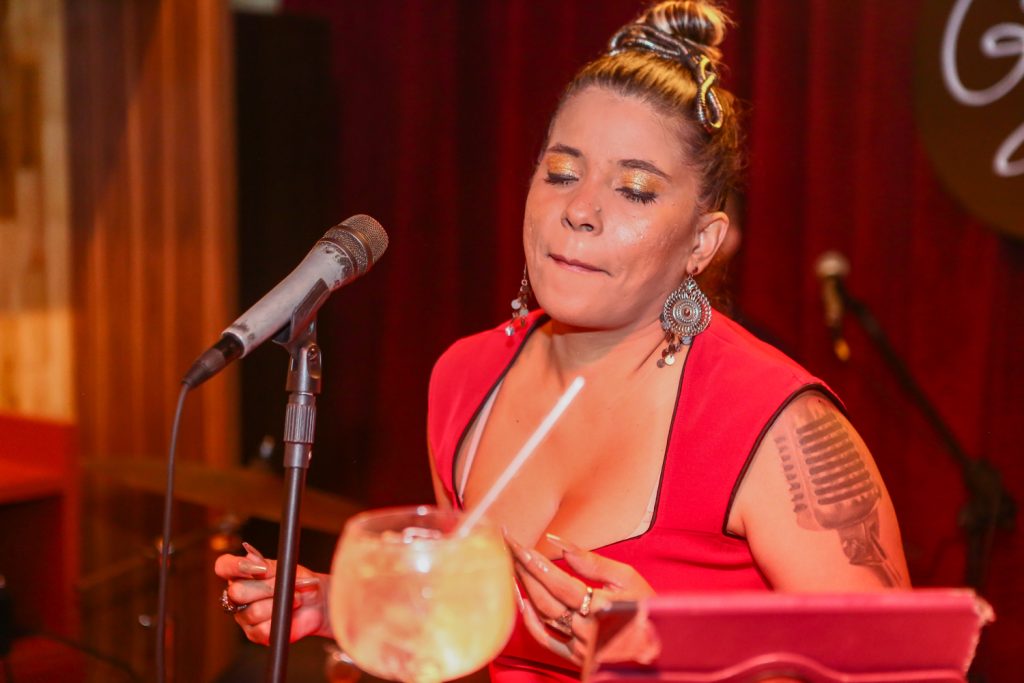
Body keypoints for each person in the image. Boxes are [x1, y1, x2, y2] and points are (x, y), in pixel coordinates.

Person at [215, 1, 910, 679]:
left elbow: (904, 670)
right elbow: (479, 619)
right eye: (562, 173)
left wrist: (684, 651)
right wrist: (342, 605)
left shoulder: (781, 425)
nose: (580, 209)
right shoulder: (465, 380)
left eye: (634, 189)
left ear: (702, 241)